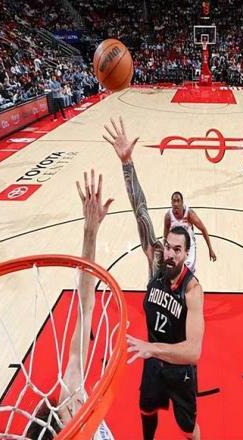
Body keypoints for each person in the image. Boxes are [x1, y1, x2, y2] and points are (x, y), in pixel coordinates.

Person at [103, 117, 204, 440]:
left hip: (179, 368)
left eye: (177, 249)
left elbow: (193, 352)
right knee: (146, 409)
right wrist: (127, 164)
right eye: (168, 247)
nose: (170, 253)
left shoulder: (192, 289)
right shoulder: (156, 263)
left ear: (186, 254)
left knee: (188, 429)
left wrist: (152, 348)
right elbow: (141, 210)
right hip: (153, 360)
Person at [26, 170, 113, 440]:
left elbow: (85, 306)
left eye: (65, 408)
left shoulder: (72, 397)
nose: (74, 406)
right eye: (66, 415)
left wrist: (90, 233)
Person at [164, 191, 216, 272]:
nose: (176, 204)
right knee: (174, 271)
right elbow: (165, 236)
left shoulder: (189, 214)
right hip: (175, 246)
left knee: (187, 271)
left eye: (178, 201)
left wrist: (210, 249)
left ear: (182, 202)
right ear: (171, 203)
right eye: (174, 201)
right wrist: (165, 252)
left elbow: (203, 229)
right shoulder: (168, 216)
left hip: (189, 245)